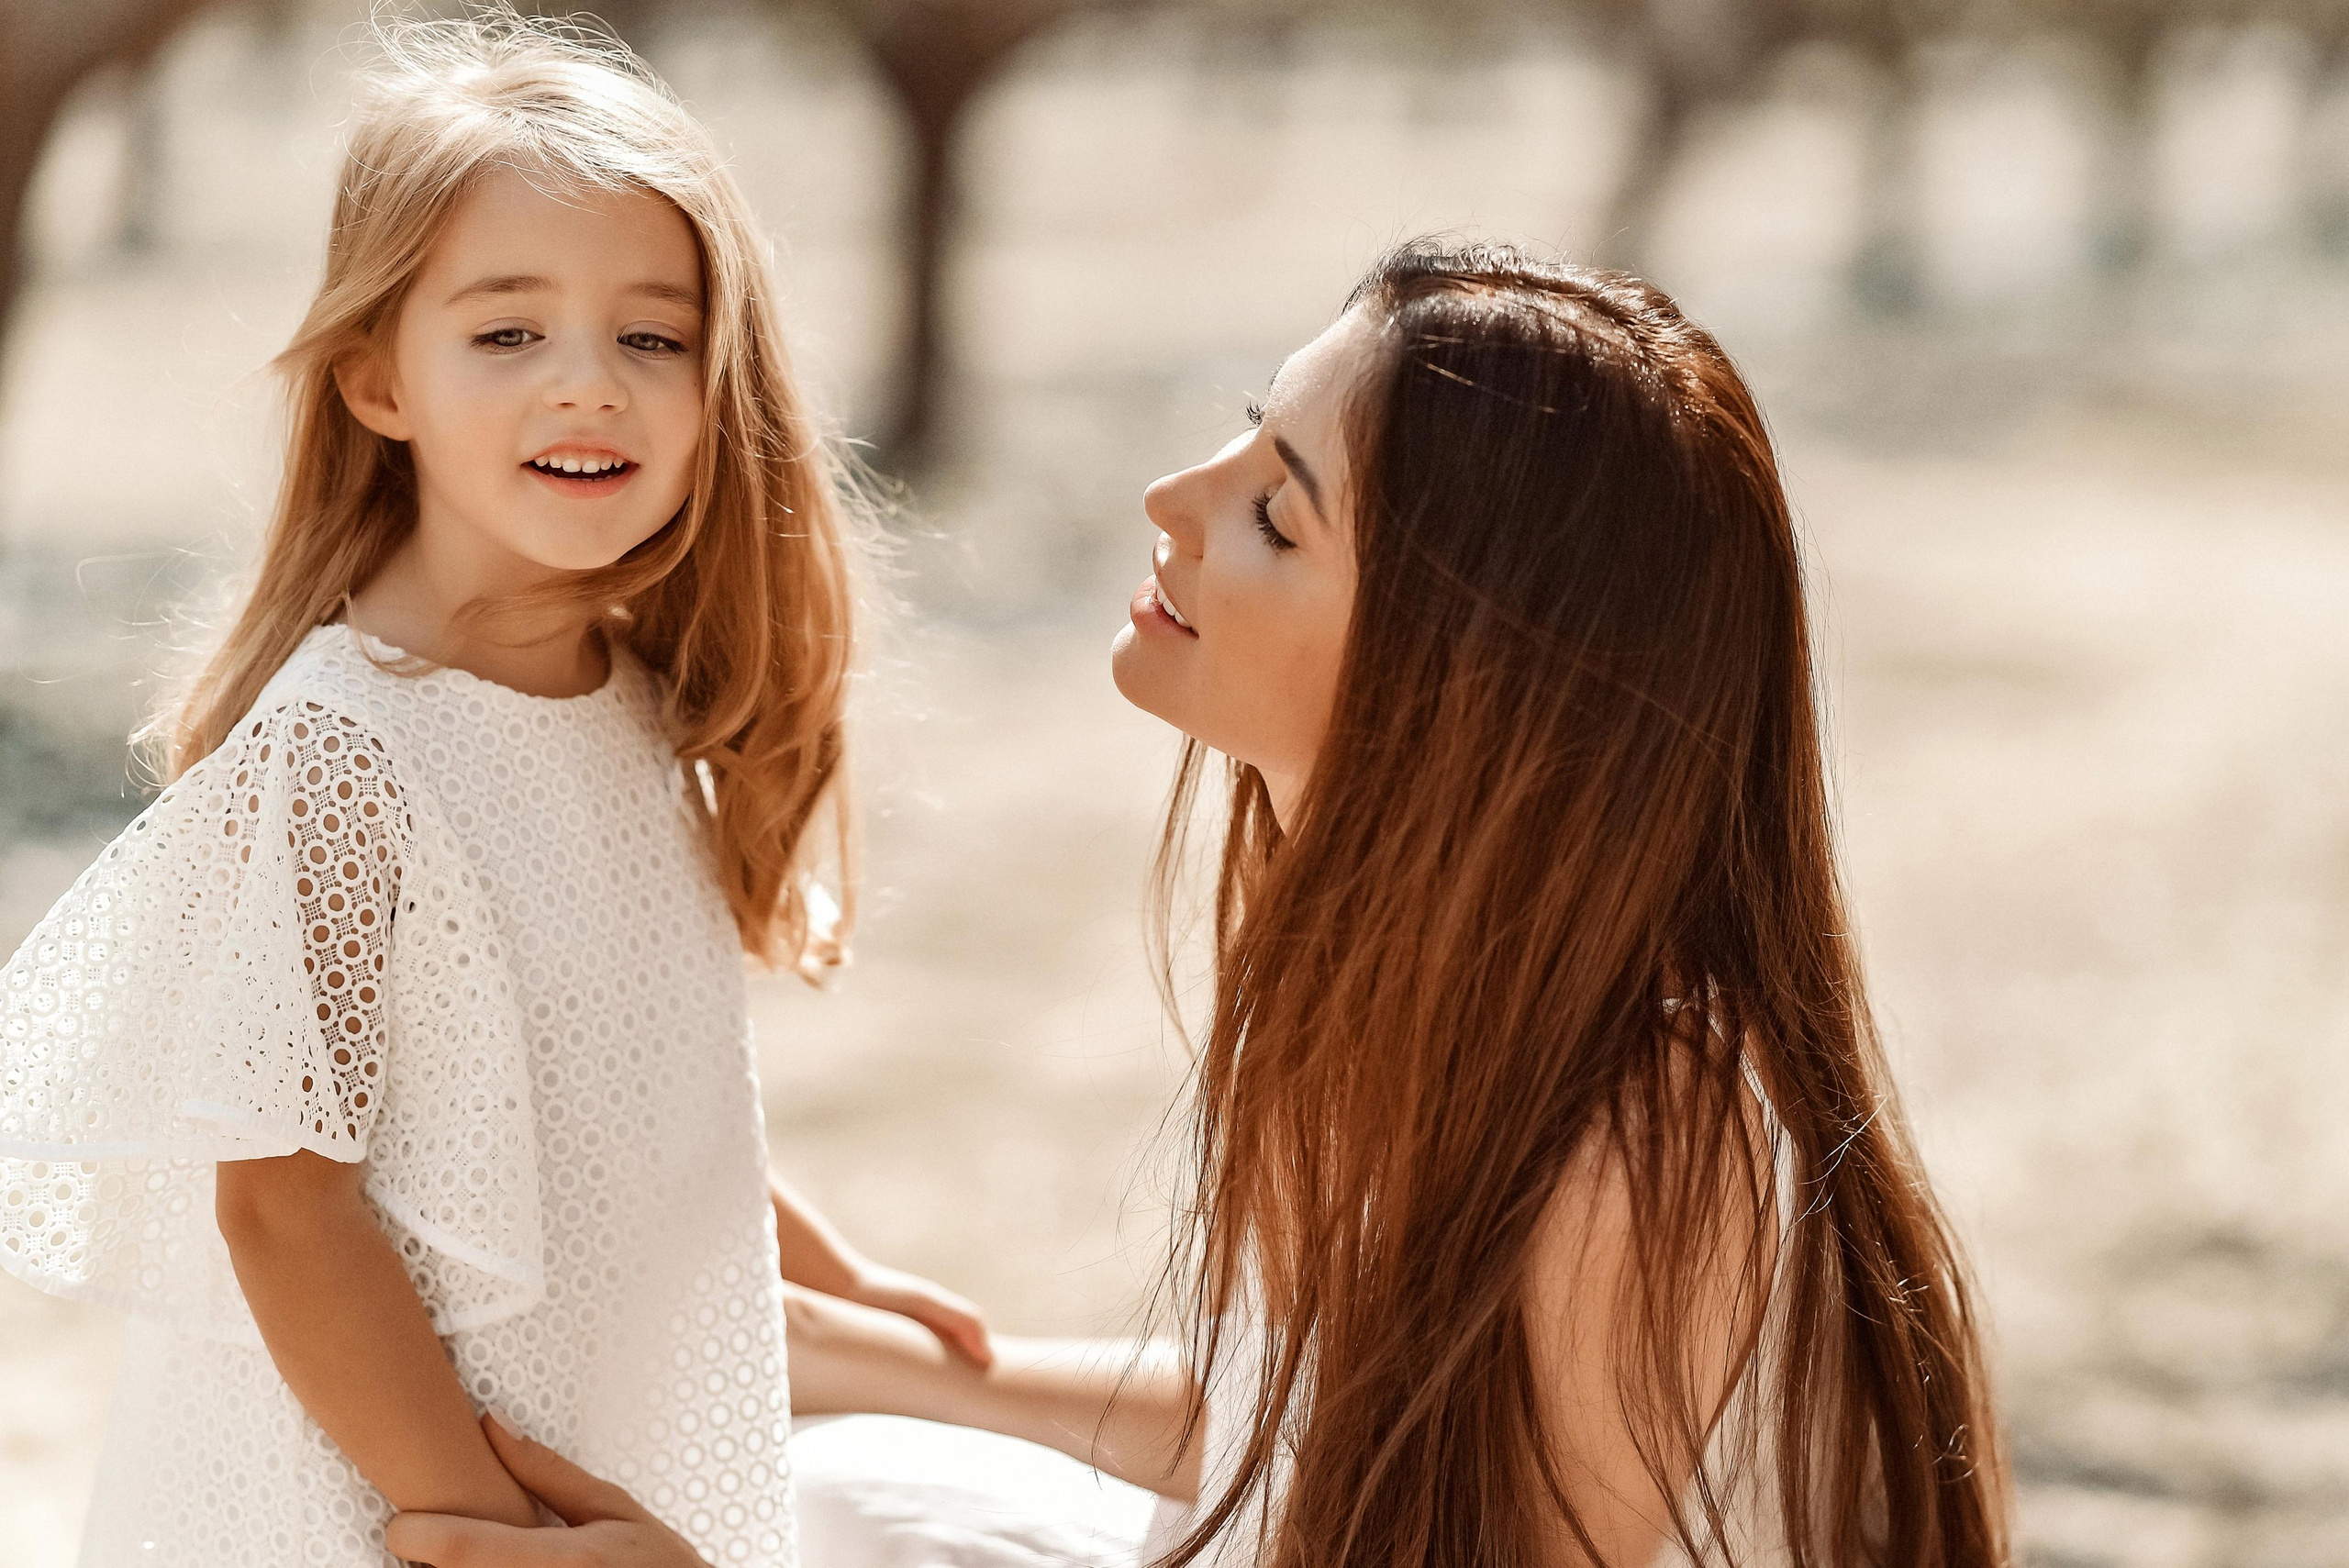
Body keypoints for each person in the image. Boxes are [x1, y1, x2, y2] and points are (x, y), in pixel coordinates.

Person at [384, 239, 2014, 1567]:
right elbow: (1289, 1424)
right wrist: (823, 1345)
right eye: (1244, 432)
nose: (1173, 495)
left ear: (1454, 675)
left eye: (1275, 511)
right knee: (834, 1474)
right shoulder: (1418, 976)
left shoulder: (1647, 1133)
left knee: (821, 1518)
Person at [0, 16, 987, 1568]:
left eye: (651, 337)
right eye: (508, 333)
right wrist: (480, 1521)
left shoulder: (634, 707)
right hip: (375, 1496)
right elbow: (282, 1205)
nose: (589, 386)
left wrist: (839, 1277)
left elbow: (610, 1093)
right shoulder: (341, 752)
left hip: (593, 1452)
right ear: (377, 378)